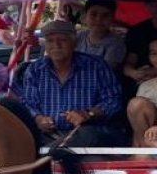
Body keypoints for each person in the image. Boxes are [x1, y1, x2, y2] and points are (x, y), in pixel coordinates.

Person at [11, 19, 123, 147]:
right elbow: (28, 103)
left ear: (74, 43)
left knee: (87, 136)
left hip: (88, 134)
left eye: (62, 40)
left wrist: (88, 113)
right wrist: (39, 119)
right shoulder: (35, 70)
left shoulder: (96, 66)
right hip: (48, 136)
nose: (56, 45)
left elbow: (113, 100)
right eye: (50, 41)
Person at [75, 0, 125, 71]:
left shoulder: (116, 43)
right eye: (93, 14)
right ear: (85, 16)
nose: (98, 19)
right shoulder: (78, 36)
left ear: (112, 18)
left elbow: (103, 71)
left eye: (105, 15)